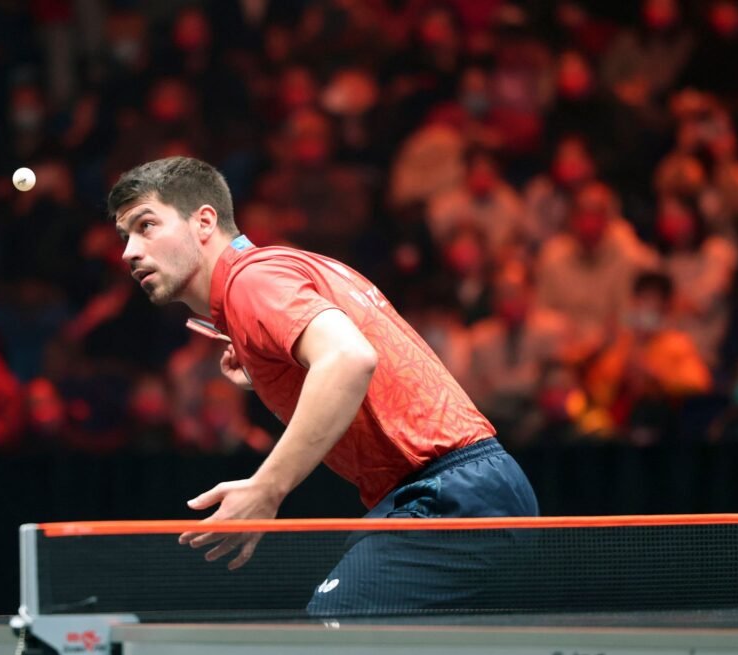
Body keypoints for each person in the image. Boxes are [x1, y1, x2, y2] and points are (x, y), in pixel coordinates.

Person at [108, 157, 538, 615]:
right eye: (125, 236)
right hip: (459, 487)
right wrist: (273, 372)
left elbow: (349, 360)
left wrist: (266, 488)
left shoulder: (252, 280)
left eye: (146, 225)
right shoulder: (276, 269)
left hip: (451, 493)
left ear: (204, 221)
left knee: (331, 643)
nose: (129, 251)